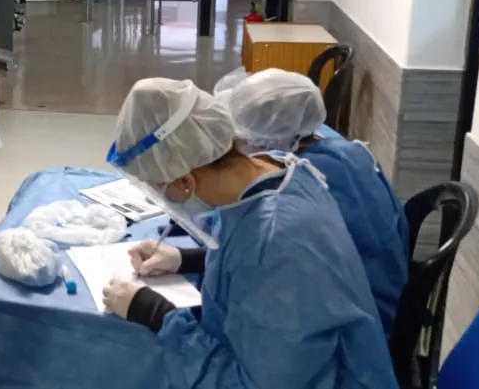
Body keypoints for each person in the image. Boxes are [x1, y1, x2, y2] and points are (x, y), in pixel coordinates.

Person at [101, 78, 397, 389]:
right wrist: (184, 258)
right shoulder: (275, 172)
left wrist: (159, 315)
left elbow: (259, 383)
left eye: (160, 191)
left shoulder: (275, 242)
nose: (164, 201)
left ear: (186, 182)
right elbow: (247, 258)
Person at [224, 67, 410, 336]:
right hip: (388, 294)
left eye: (245, 137)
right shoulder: (348, 151)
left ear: (268, 139)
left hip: (355, 319)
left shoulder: (301, 179)